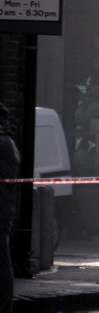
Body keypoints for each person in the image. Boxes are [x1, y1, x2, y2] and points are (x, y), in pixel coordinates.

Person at [0, 103, 20, 313]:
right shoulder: (8, 142)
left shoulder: (3, 143)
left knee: (2, 261)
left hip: (1, 208)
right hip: (4, 207)